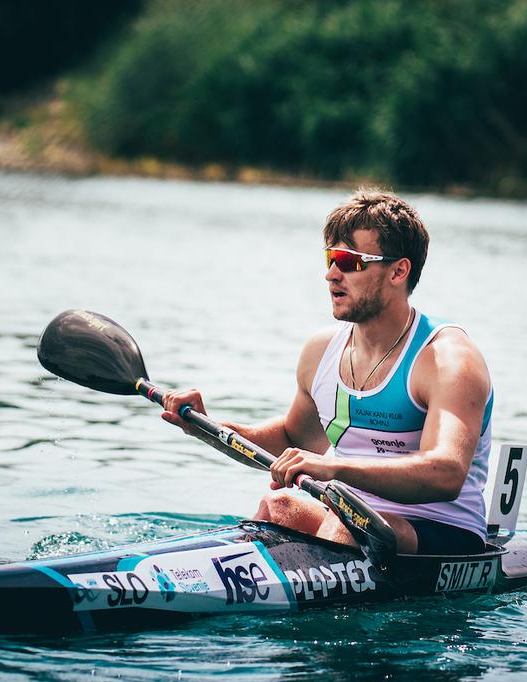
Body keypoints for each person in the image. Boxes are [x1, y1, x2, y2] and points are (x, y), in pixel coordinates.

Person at [162, 190, 493, 555]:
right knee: (279, 507)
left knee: (346, 522)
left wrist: (335, 470)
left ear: (399, 270)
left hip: (443, 531)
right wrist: (208, 427)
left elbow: (446, 473)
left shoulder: (446, 359)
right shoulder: (321, 352)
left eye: (350, 261)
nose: (332, 275)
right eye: (331, 258)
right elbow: (293, 437)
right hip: (350, 517)